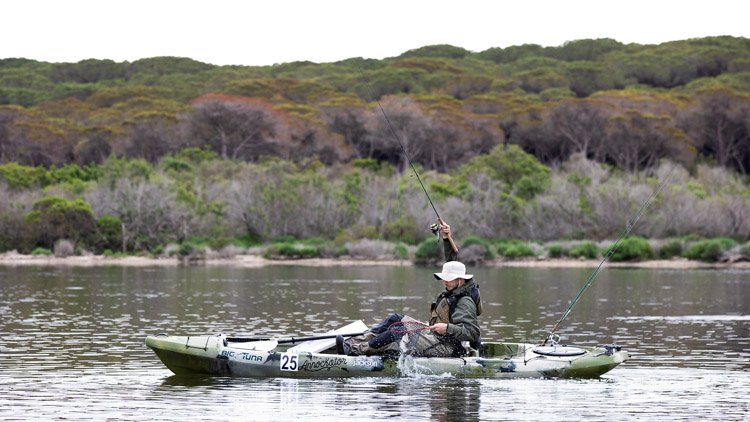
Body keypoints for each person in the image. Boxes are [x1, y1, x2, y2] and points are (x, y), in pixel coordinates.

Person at [336, 222, 482, 357]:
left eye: (448, 278)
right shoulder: (457, 287)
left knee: (399, 331)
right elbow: (452, 262)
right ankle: (353, 342)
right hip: (435, 337)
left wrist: (447, 328)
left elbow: (473, 333)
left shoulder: (465, 301)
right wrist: (446, 238)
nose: (444, 281)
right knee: (395, 319)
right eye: (444, 277)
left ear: (461, 280)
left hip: (448, 348)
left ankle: (356, 351)